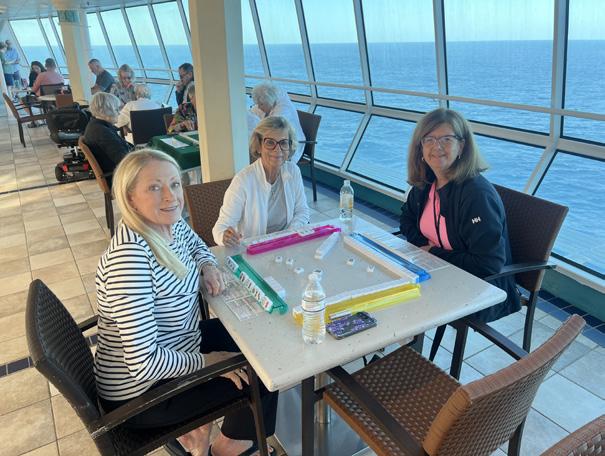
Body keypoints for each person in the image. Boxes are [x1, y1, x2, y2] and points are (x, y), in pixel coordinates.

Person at [94, 149, 278, 456]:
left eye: (175, 184)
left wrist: (207, 266)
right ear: (130, 198)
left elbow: (198, 247)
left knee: (258, 338)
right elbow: (143, 363)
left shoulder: (169, 223)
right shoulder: (129, 260)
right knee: (262, 372)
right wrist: (209, 362)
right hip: (144, 395)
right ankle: (228, 450)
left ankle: (216, 440)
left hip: (179, 343)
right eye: (155, 187)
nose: (171, 196)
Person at [399, 108, 520, 322]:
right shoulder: (426, 182)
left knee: (403, 306)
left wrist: (432, 253)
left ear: (461, 146)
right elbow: (407, 219)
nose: (437, 147)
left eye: (446, 139)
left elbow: (487, 263)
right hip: (439, 271)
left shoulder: (476, 195)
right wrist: (423, 249)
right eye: (429, 139)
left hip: (480, 287)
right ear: (420, 147)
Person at [213, 116, 310, 246]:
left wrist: (289, 234)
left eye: (283, 143)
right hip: (254, 249)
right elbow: (221, 227)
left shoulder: (293, 171)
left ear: (290, 146)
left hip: (287, 244)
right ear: (258, 146)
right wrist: (224, 237)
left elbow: (302, 211)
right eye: (270, 142)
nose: (277, 149)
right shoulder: (243, 180)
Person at [247, 82, 306, 164]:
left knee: (255, 148)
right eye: (258, 104)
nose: (259, 107)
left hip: (289, 144)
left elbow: (273, 128)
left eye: (261, 104)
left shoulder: (284, 110)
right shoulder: (268, 103)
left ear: (269, 100)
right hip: (276, 141)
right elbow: (252, 113)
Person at [83, 92, 132, 186]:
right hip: (118, 178)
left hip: (114, 172)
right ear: (107, 111)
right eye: (116, 109)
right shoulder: (102, 133)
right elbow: (124, 160)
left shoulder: (95, 125)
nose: (119, 113)